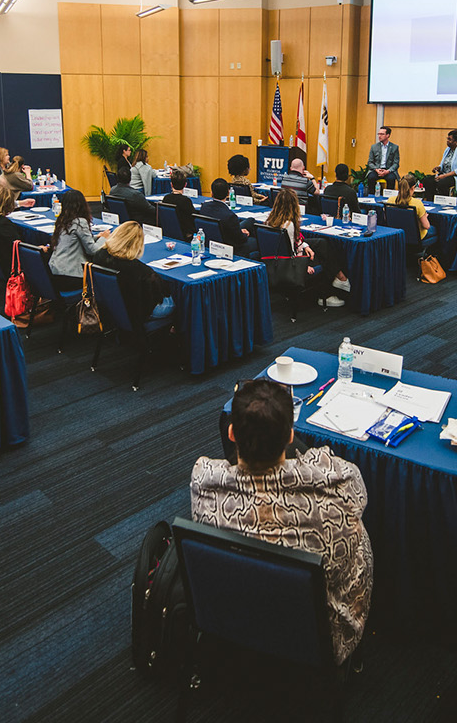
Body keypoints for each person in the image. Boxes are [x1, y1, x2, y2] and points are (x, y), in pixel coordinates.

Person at [191, 378, 373, 665]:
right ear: (290, 437)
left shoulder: (203, 481)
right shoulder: (334, 485)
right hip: (314, 639)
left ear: (231, 433)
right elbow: (359, 496)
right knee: (359, 534)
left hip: (230, 619)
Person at [264, 187, 350, 306]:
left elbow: (292, 241)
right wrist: (305, 265)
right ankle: (326, 295)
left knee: (321, 243)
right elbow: (290, 251)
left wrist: (305, 246)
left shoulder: (270, 221)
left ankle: (340, 278)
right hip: (291, 265)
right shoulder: (289, 225)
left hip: (276, 261)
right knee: (323, 257)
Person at [92, 220, 173, 322]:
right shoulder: (141, 271)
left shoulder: (100, 255)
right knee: (175, 300)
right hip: (136, 313)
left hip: (110, 306)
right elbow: (160, 293)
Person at [47, 188, 99, 292]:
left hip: (54, 273)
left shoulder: (62, 220)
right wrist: (105, 240)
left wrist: (98, 236)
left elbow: (75, 240)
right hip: (73, 276)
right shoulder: (80, 222)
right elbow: (92, 250)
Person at [197, 178, 255, 255]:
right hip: (229, 247)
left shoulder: (204, 207)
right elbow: (240, 240)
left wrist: (240, 231)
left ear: (211, 193)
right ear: (228, 194)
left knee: (250, 221)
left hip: (213, 241)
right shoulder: (230, 216)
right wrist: (244, 234)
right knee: (255, 241)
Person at [385, 177, 436, 248]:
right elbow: (426, 226)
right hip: (415, 237)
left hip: (397, 235)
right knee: (435, 229)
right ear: (413, 188)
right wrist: (425, 217)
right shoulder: (417, 203)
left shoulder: (390, 200)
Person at [431, 128, 457, 201]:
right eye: (447, 139)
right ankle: (431, 202)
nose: (447, 141)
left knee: (442, 183)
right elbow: (444, 163)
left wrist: (444, 176)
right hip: (445, 174)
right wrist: (439, 168)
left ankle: (444, 204)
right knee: (428, 181)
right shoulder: (448, 149)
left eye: (449, 139)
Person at [159, 168, 196, 235]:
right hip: (184, 233)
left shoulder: (166, 198)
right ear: (185, 185)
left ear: (171, 184)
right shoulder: (186, 201)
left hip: (169, 232)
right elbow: (193, 219)